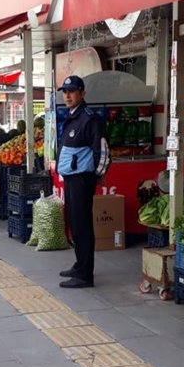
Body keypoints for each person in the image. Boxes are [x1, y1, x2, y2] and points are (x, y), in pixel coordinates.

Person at [56, 75, 110, 289]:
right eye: (65, 91)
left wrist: (95, 177)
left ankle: (85, 275)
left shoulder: (90, 119)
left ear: (82, 93)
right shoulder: (72, 117)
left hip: (82, 180)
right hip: (71, 180)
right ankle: (79, 265)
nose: (67, 95)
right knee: (75, 224)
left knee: (83, 226)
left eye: (72, 91)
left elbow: (103, 152)